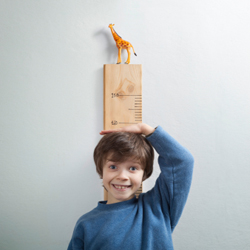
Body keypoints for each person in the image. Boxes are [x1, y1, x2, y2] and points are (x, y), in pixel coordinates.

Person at [67, 123, 194, 250]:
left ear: (144, 174)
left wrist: (145, 129)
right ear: (101, 170)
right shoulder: (86, 224)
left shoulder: (158, 207)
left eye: (133, 168)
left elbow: (183, 162)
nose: (122, 176)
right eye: (113, 167)